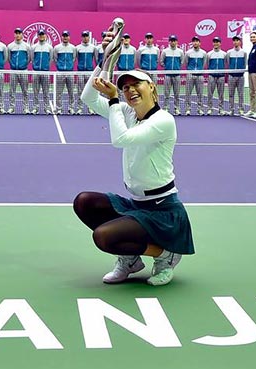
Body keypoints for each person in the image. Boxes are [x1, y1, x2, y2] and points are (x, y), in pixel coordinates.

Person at [76, 64, 194, 286]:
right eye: (125, 87)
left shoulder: (163, 120)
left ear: (151, 87)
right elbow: (88, 98)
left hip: (162, 209)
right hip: (137, 203)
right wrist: (104, 60)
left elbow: (121, 139)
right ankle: (130, 260)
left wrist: (113, 100)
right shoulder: (127, 112)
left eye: (136, 84)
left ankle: (165, 256)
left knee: (104, 237)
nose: (130, 90)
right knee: (85, 202)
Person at [52, 30, 77, 115]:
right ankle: (59, 108)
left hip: (70, 73)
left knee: (71, 92)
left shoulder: (73, 48)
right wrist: (60, 66)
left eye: (67, 36)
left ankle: (71, 108)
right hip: (60, 73)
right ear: (61, 37)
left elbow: (73, 59)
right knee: (58, 92)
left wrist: (69, 66)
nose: (65, 37)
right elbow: (55, 59)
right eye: (64, 36)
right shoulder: (57, 48)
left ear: (69, 37)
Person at [7, 27, 32, 114]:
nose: (17, 35)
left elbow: (29, 58)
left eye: (19, 33)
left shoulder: (27, 46)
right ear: (14, 35)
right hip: (13, 71)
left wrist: (23, 65)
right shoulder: (10, 46)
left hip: (23, 71)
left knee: (25, 91)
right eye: (16, 33)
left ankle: (26, 108)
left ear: (22, 34)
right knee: (12, 91)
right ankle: (11, 107)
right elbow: (9, 58)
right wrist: (13, 65)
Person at [160, 35, 183, 115]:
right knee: (166, 93)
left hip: (177, 75)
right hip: (167, 75)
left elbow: (182, 62)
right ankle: (165, 107)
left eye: (174, 41)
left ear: (176, 42)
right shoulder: (165, 51)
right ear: (169, 42)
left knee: (177, 93)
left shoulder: (180, 52)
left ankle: (177, 108)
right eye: (171, 41)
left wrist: (176, 67)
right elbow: (161, 62)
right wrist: (167, 67)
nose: (173, 42)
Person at [31, 29, 52, 114]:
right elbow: (32, 59)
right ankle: (35, 108)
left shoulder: (49, 47)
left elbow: (50, 59)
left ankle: (46, 108)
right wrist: (36, 67)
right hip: (36, 72)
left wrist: (46, 67)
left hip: (45, 72)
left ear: (45, 36)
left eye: (43, 34)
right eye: (40, 35)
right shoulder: (33, 47)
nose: (41, 36)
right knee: (35, 92)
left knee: (46, 92)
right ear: (37, 36)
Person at [184, 36, 206, 115]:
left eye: (197, 41)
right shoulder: (188, 53)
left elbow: (204, 63)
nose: (195, 43)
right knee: (188, 93)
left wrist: (199, 71)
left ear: (199, 43)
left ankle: (200, 109)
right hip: (190, 75)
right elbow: (186, 62)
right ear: (192, 43)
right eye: (194, 41)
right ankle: (188, 109)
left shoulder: (203, 53)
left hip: (200, 76)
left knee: (200, 94)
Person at [206, 36, 227, 115]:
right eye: (214, 42)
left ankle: (221, 109)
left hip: (221, 76)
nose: (216, 43)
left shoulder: (224, 54)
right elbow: (207, 64)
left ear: (220, 43)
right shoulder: (209, 54)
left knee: (221, 94)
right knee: (210, 93)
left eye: (217, 42)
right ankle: (209, 109)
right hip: (212, 76)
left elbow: (225, 63)